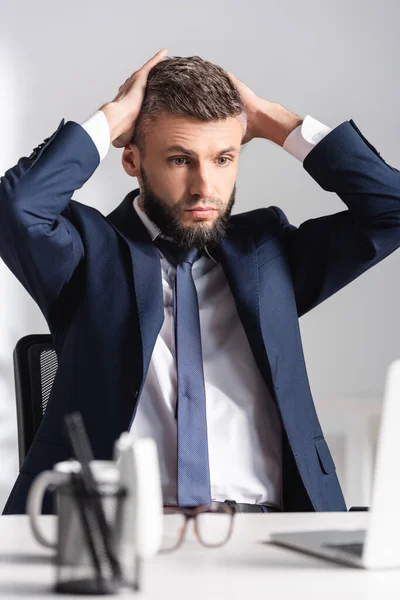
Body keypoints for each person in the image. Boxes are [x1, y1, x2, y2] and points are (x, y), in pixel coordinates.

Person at [2, 49, 400, 515]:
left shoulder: (267, 252)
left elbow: (390, 209)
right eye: (178, 160)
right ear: (132, 160)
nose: (204, 186)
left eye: (223, 158)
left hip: (268, 530)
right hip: (118, 533)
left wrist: (275, 122)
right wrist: (113, 118)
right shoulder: (88, 254)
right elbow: (17, 209)